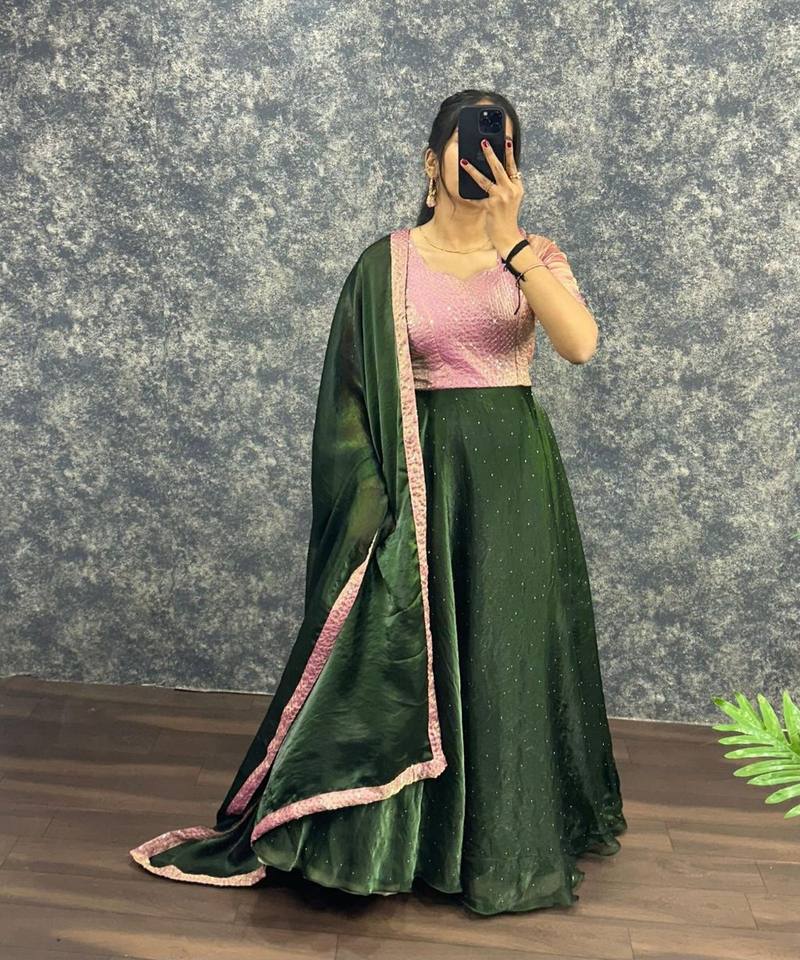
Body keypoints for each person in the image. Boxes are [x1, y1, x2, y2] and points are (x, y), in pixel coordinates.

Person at [129, 88, 627, 917]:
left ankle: (494, 839)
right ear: (431, 160)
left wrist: (513, 243)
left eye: (503, 146)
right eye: (469, 142)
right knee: (408, 648)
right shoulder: (384, 264)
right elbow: (350, 400)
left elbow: (578, 344)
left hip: (511, 482)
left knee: (501, 649)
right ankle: (396, 838)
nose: (484, 158)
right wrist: (377, 502)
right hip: (414, 474)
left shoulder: (536, 254)